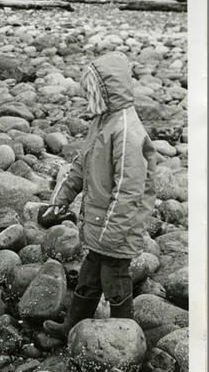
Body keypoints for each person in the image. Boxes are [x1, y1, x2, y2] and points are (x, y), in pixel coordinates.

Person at [43, 51, 157, 341]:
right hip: (99, 221)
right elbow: (82, 163)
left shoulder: (127, 131)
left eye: (91, 93)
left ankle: (125, 338)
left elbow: (128, 190)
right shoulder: (102, 121)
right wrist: (62, 198)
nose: (88, 100)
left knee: (115, 278)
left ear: (108, 91)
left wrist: (112, 232)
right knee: (89, 275)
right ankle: (72, 325)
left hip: (118, 226)